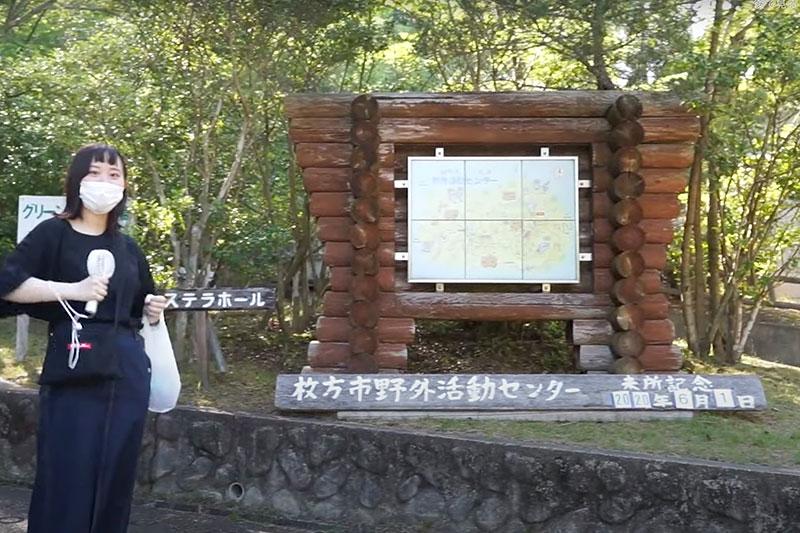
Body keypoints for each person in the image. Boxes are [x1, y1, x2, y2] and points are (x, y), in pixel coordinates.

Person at [0, 143, 168, 533]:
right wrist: (72, 290)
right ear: (77, 180)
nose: (105, 182)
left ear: (125, 186)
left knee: (115, 473)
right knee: (67, 471)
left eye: (115, 175)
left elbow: (138, 303)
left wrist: (151, 310)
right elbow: (7, 286)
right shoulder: (53, 233)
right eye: (95, 173)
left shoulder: (128, 247)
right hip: (74, 364)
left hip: (125, 370)